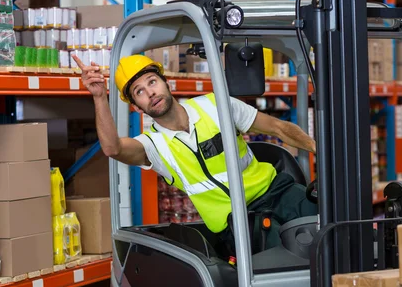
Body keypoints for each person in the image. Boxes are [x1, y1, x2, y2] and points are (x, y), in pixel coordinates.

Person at [72, 54, 318, 250]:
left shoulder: (216, 105)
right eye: (139, 92)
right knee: (285, 264)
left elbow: (278, 127)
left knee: (330, 226)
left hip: (277, 191)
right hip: (238, 224)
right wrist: (99, 97)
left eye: (152, 82)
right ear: (137, 107)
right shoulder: (154, 147)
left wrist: (318, 149)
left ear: (165, 82)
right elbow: (112, 148)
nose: (150, 93)